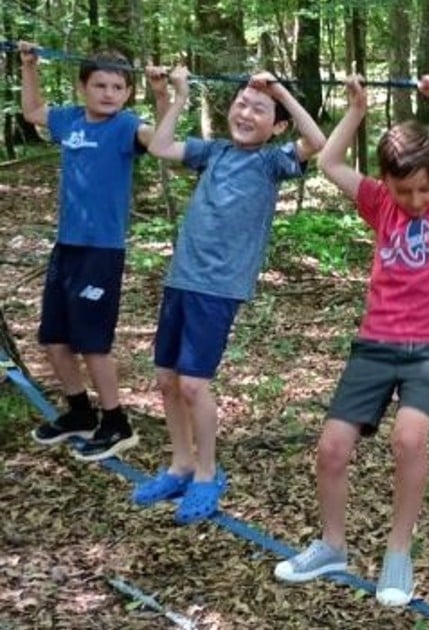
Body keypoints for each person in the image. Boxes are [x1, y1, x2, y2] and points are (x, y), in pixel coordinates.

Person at [273, 75, 429, 606]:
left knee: (409, 439)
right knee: (332, 448)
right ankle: (332, 544)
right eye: (405, 190)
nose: (417, 200)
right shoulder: (380, 203)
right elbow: (331, 164)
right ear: (386, 181)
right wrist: (355, 111)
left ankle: (398, 552)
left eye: (424, 187)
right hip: (376, 341)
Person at [131, 65, 325, 525]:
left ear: (276, 125)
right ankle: (180, 465)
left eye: (259, 108)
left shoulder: (271, 162)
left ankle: (207, 473)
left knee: (195, 383)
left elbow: (317, 142)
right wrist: (172, 94)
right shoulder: (212, 152)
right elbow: (158, 146)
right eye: (241, 102)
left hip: (218, 288)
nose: (245, 111)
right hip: (182, 278)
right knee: (166, 378)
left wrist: (281, 91)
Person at [20, 42, 169, 461]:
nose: (108, 93)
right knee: (53, 337)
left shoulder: (126, 126)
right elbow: (33, 112)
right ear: (83, 86)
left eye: (117, 86)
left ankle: (116, 421)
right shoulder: (68, 120)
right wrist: (29, 67)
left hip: (101, 251)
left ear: (127, 93)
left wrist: (162, 97)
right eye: (100, 84)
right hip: (66, 246)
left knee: (93, 342)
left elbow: (160, 143)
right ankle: (80, 413)